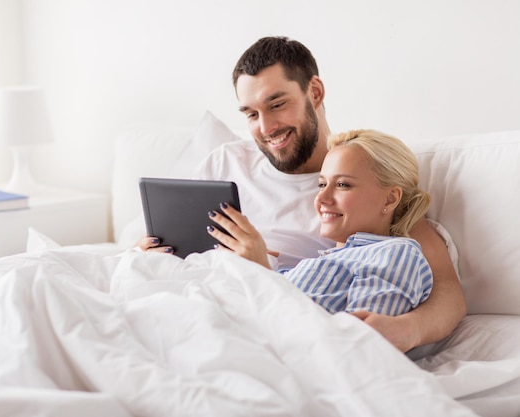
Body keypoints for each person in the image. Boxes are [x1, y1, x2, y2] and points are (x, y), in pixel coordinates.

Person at [140, 36, 466, 352]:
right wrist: (149, 255)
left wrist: (407, 330)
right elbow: (163, 248)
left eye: (277, 104)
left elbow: (447, 290)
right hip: (189, 303)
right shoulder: (225, 161)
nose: (266, 127)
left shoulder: (361, 182)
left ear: (315, 92)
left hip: (259, 324)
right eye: (251, 114)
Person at [206, 129, 434, 317]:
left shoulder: (395, 255)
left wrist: (262, 274)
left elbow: (358, 346)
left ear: (391, 198)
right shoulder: (316, 263)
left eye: (343, 185)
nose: (321, 199)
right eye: (322, 184)